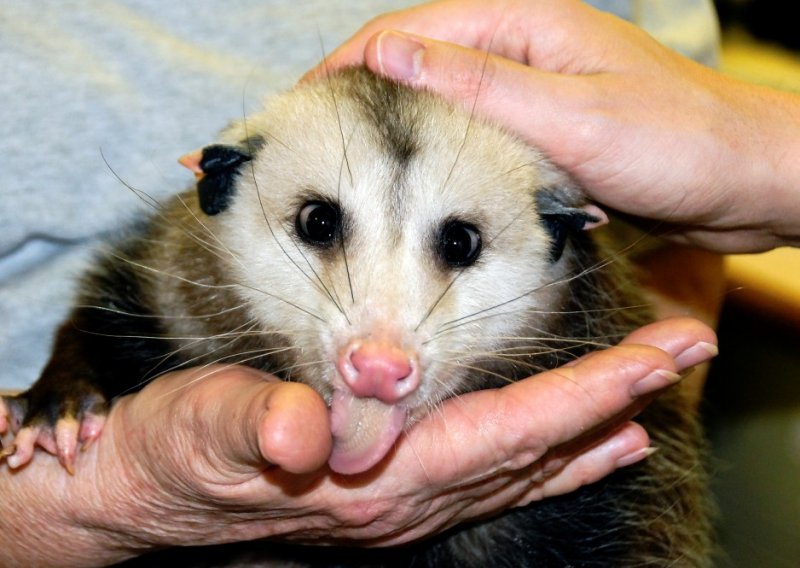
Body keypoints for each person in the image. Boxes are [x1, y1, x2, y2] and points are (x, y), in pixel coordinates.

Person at [3, 0, 792, 565]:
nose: (379, 349)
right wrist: (95, 505)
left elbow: (673, 266)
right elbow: (116, 323)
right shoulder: (179, 277)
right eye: (318, 228)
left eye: (458, 243)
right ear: (222, 188)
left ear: (564, 233)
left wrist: (763, 155)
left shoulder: (572, 278)